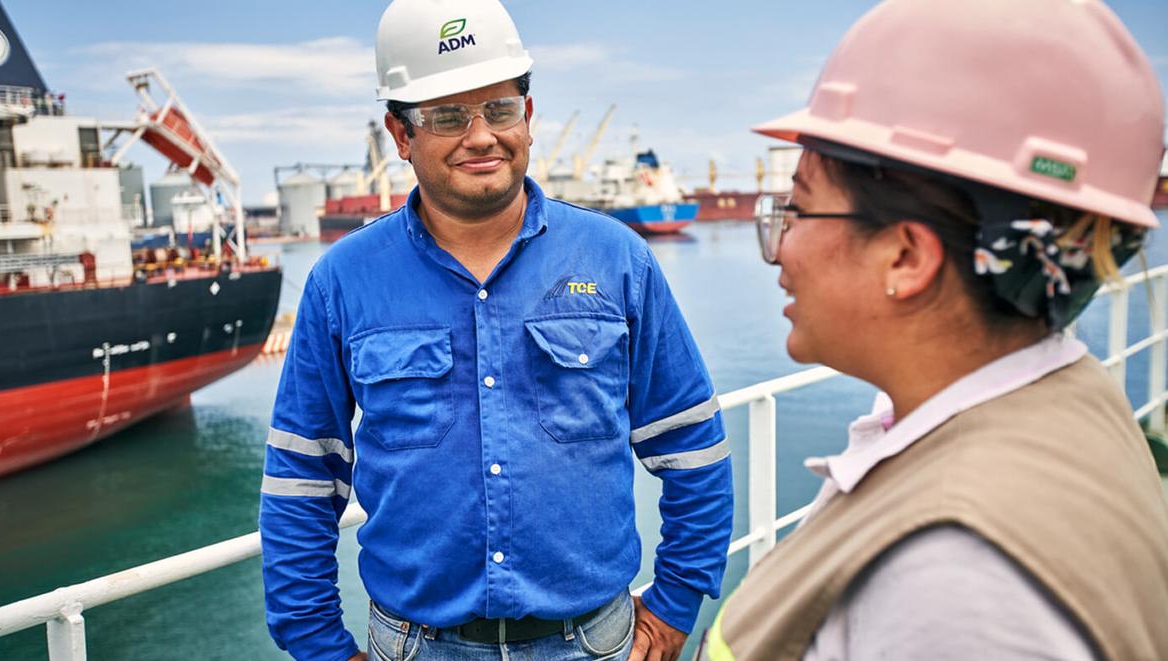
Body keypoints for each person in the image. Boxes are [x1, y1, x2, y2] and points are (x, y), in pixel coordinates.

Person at [258, 0, 733, 659]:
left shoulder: (617, 259)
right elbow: (301, 479)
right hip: (418, 646)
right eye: (448, 115)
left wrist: (677, 602)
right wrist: (318, 644)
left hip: (594, 643)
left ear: (529, 118)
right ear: (401, 135)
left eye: (500, 109)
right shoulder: (343, 282)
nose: (481, 135)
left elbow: (694, 446)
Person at [704, 0, 1168, 659]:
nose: (781, 250)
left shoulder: (956, 580)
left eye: (801, 208)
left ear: (907, 257)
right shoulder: (1067, 392)